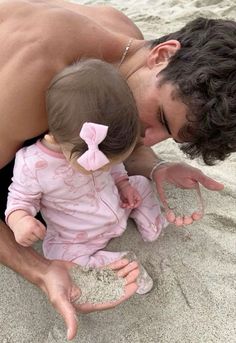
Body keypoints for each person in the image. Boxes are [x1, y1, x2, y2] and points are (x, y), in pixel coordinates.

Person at [1, 0, 235, 339]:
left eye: (169, 136)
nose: (152, 139)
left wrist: (156, 168)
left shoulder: (128, 42)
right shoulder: (38, 74)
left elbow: (132, 146)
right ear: (162, 54)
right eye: (162, 119)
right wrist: (40, 271)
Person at [6, 59, 168, 295]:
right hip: (76, 236)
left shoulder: (103, 149)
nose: (104, 169)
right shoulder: (32, 164)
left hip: (117, 205)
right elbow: (19, 200)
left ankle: (153, 224)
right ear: (60, 139)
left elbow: (115, 167)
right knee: (57, 258)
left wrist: (123, 184)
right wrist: (20, 220)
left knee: (140, 184)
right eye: (100, 164)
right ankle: (119, 263)